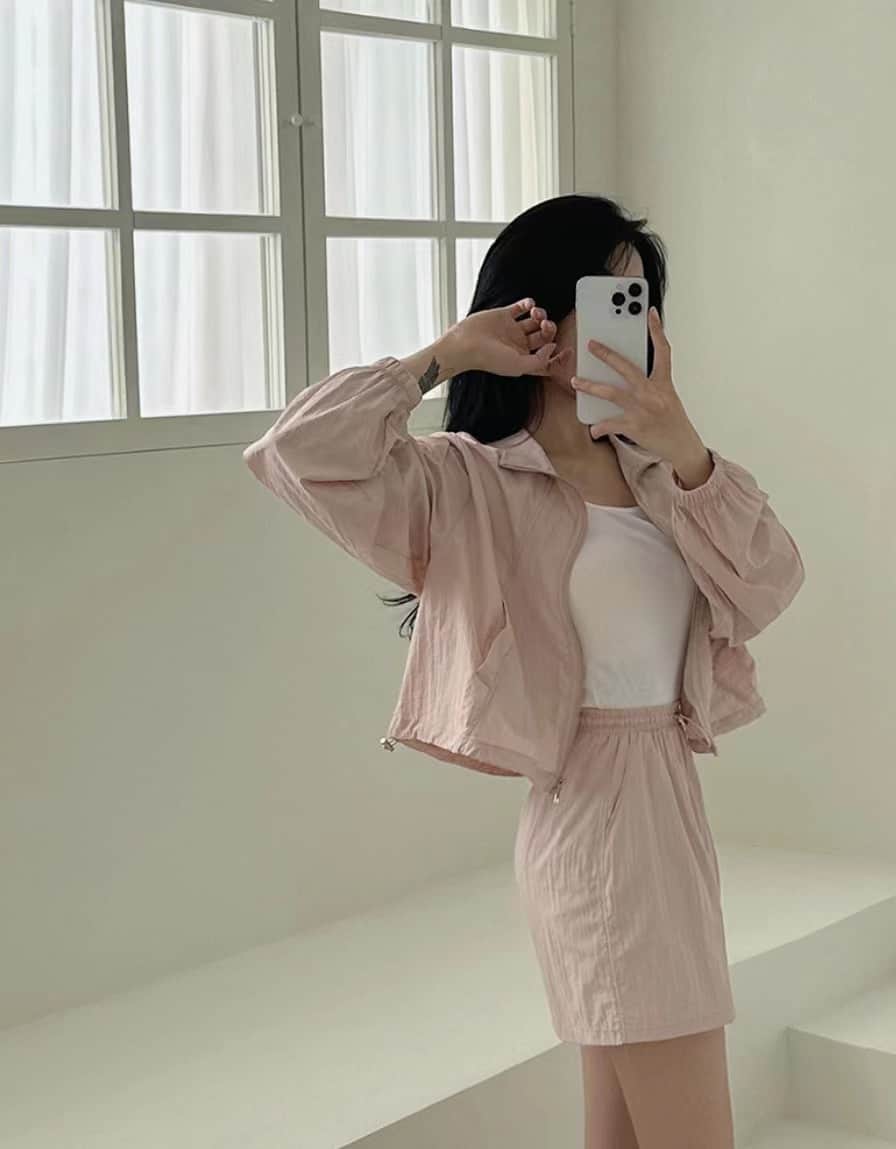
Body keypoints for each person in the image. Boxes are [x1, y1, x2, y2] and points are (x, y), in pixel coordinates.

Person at [242, 194, 805, 1149]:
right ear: (538, 308)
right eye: (607, 293)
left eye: (641, 298)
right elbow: (296, 453)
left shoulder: (663, 475)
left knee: (620, 1133)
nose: (630, 317)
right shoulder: (466, 480)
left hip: (667, 806)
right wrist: (444, 355)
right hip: (595, 822)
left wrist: (680, 439)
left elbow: (771, 579)